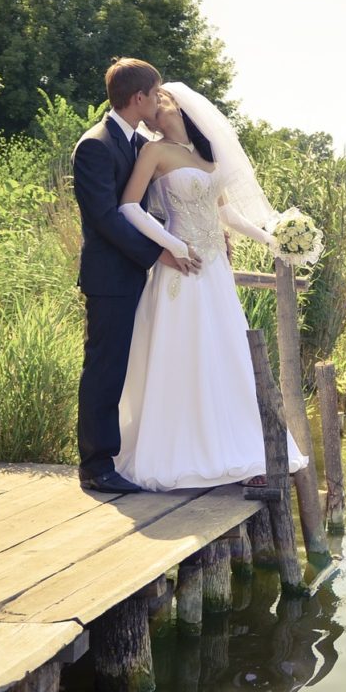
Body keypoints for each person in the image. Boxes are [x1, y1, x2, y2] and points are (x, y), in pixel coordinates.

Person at [112, 82, 309, 490]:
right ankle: (181, 450)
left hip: (216, 270)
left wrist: (273, 239)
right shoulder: (153, 151)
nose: (154, 108)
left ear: (182, 109)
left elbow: (228, 215)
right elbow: (129, 207)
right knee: (182, 351)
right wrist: (172, 245)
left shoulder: (206, 156)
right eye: (152, 101)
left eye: (162, 101)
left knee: (225, 352)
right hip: (181, 268)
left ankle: (232, 446)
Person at [72, 59, 201, 494]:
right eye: (156, 92)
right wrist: (158, 252)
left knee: (121, 368)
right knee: (104, 369)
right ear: (139, 98)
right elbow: (106, 217)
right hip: (108, 279)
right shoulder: (95, 145)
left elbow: (145, 206)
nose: (159, 99)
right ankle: (95, 466)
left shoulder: (134, 141)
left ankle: (116, 456)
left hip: (131, 275)